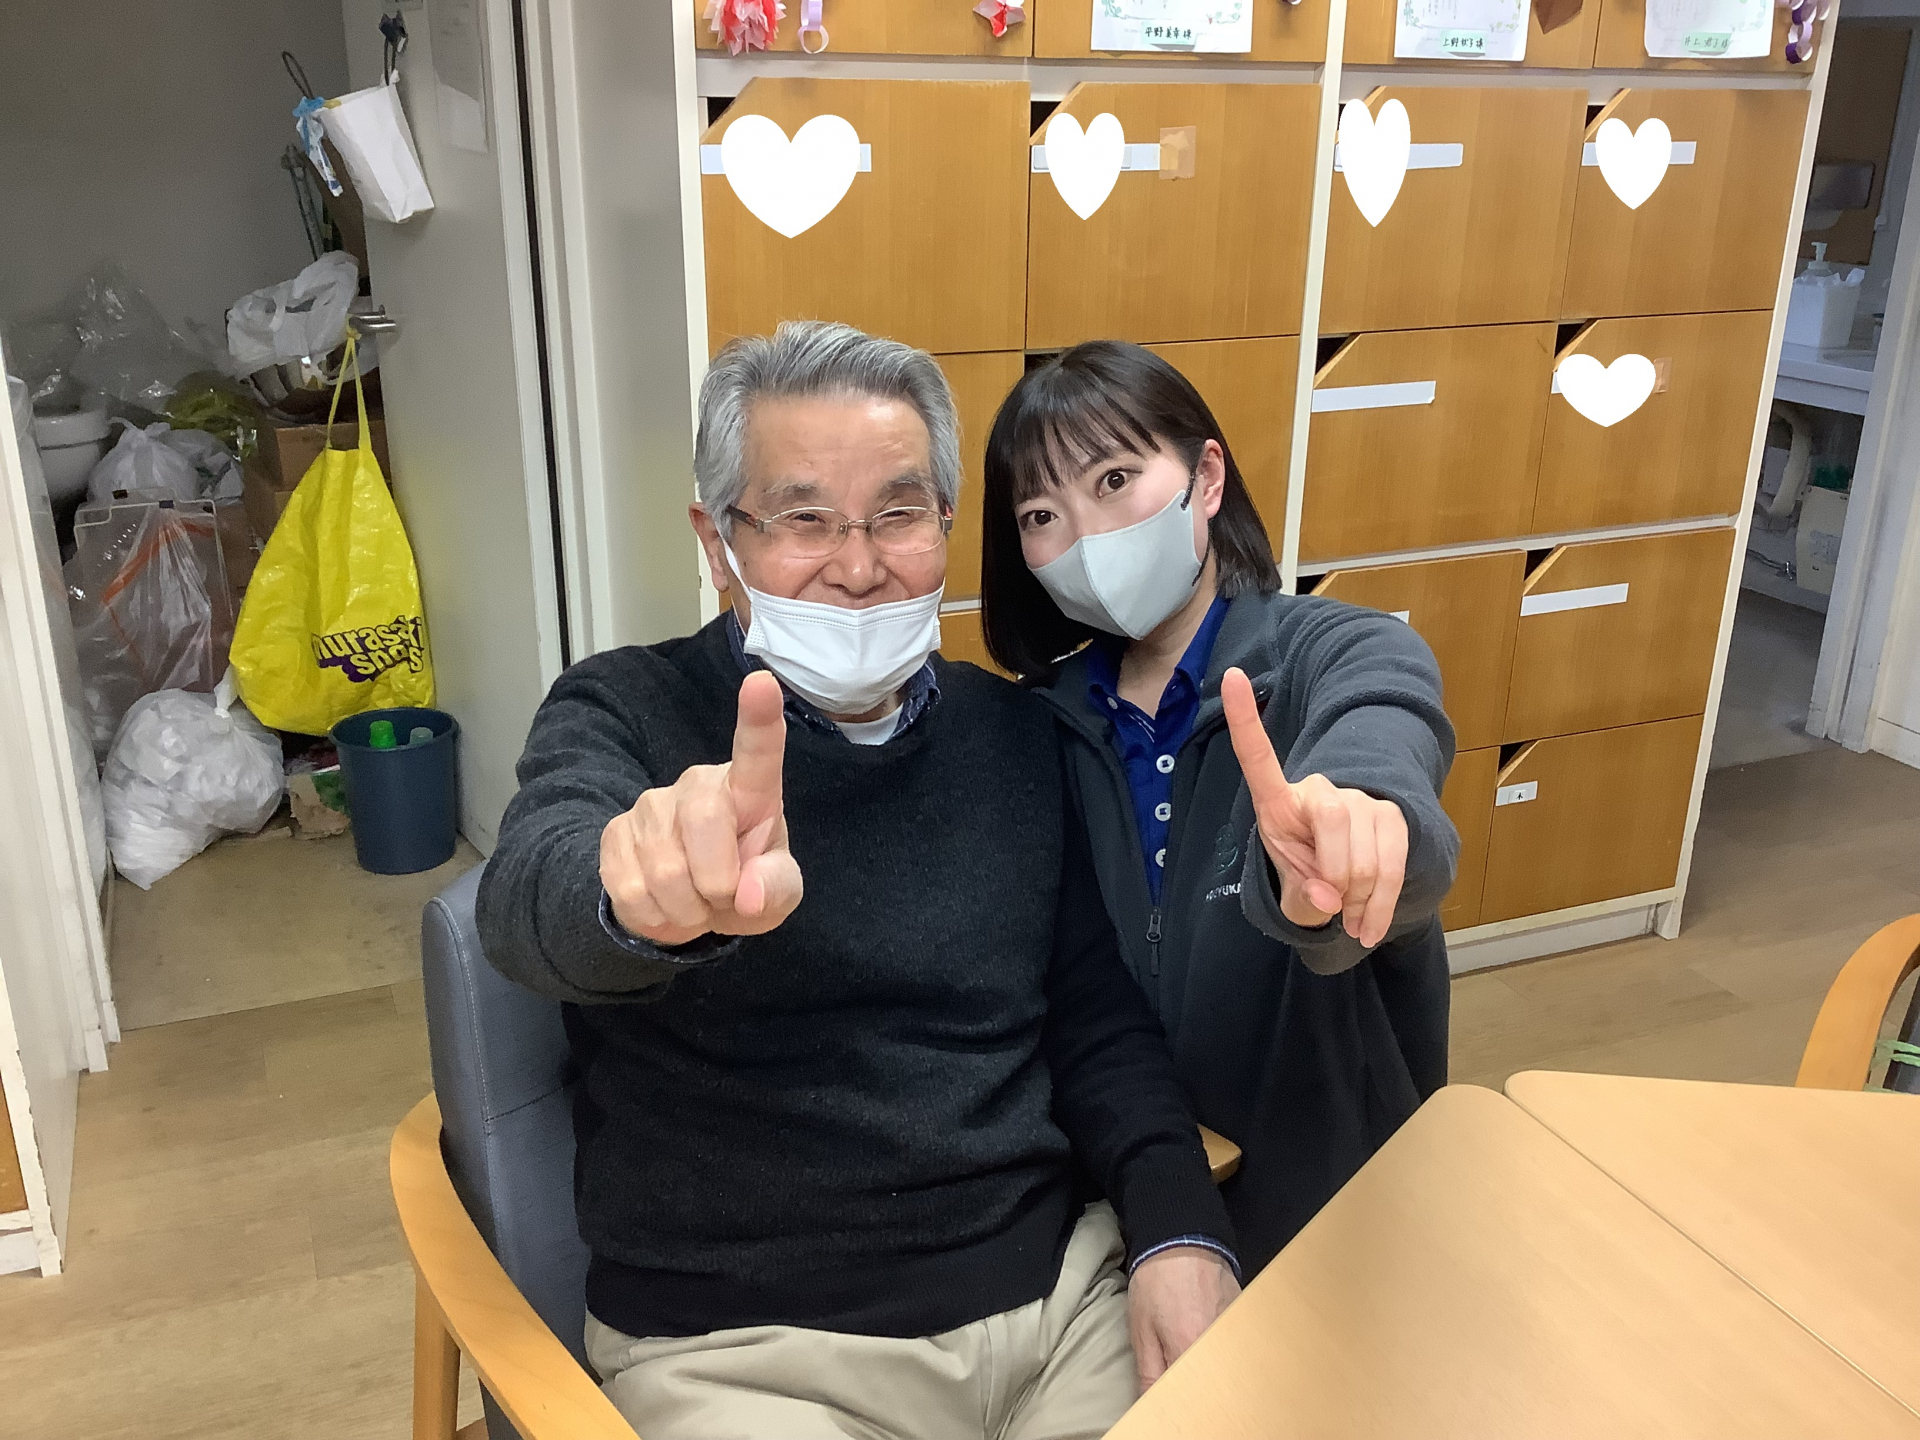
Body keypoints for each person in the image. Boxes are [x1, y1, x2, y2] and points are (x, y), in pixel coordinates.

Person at [475, 321, 1240, 1440]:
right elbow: (525, 901)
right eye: (802, 520)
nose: (859, 565)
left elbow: (1095, 1019)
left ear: (944, 523)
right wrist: (637, 901)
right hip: (749, 1354)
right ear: (718, 541)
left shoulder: (1015, 735)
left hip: (1057, 1307)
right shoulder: (626, 710)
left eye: (897, 513)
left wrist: (1179, 1227)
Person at [977, 340, 1459, 1275]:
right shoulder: (1033, 727)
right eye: (1042, 515)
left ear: (1206, 477)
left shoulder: (1340, 653)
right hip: (1124, 1212)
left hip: (1336, 1212)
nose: (1087, 538)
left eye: (1115, 480)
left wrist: (1353, 835)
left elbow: (1385, 754)